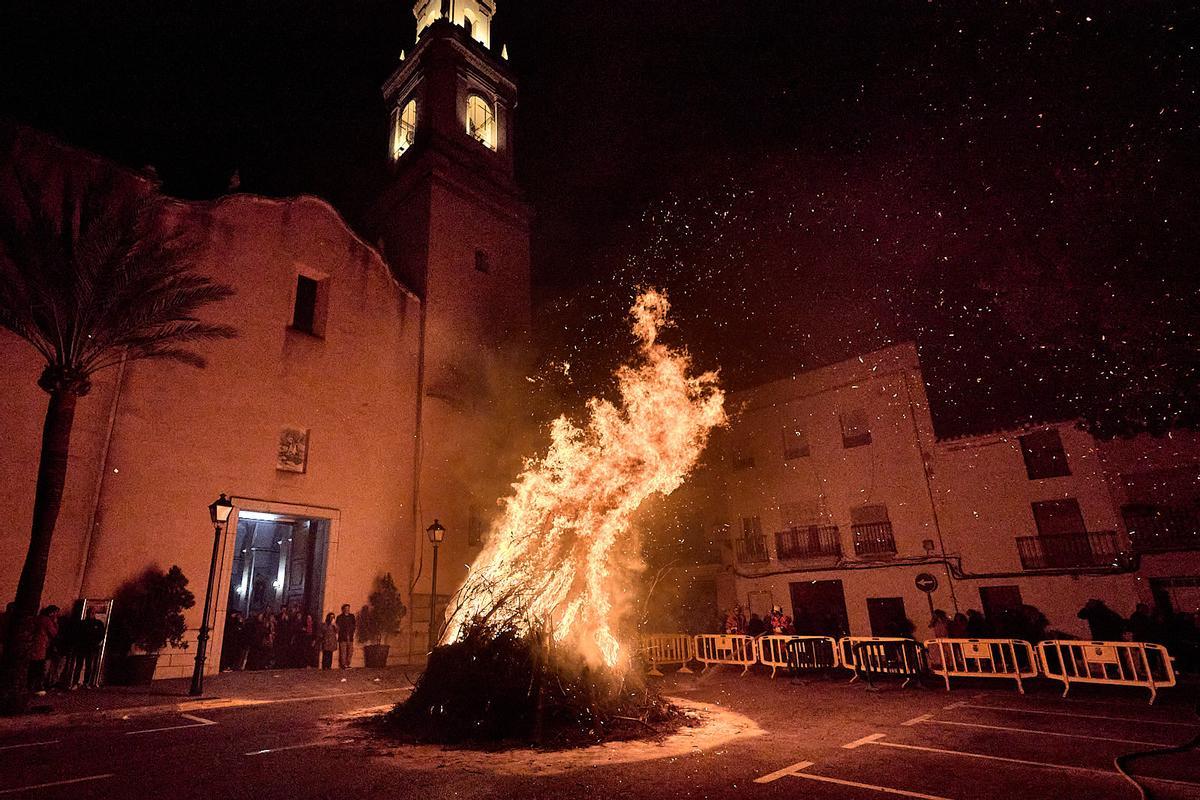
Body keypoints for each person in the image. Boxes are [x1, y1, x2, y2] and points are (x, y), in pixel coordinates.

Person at [28, 605, 59, 695]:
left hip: (35, 646)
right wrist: (55, 623)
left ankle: (31, 685)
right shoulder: (46, 621)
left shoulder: (37, 619)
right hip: (40, 646)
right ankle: (38, 687)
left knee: (33, 667)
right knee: (39, 667)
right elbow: (54, 633)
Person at [74, 606, 106, 688]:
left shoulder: (98, 623)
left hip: (91, 647)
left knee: (89, 665)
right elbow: (77, 634)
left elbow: (101, 635)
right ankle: (75, 681)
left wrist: (97, 643)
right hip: (82, 647)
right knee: (79, 665)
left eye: (93, 613)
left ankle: (86, 682)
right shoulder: (82, 623)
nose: (91, 614)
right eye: (90, 612)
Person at [335, 604, 356, 669]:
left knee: (350, 651)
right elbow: (338, 627)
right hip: (342, 637)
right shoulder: (339, 617)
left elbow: (354, 625)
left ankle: (348, 663)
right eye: (346, 608)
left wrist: (352, 632)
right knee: (343, 652)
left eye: (348, 608)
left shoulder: (352, 616)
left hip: (350, 636)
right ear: (343, 609)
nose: (347, 610)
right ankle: (343, 665)